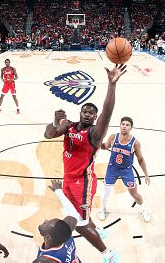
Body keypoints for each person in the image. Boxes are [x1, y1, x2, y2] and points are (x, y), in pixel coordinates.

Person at [44, 64, 127, 263]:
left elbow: (107, 114)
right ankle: (97, 228)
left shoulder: (94, 134)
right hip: (69, 178)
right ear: (80, 112)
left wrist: (111, 85)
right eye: (85, 110)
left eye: (92, 112)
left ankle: (108, 254)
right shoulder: (69, 125)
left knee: (79, 223)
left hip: (83, 182)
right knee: (78, 214)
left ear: (95, 117)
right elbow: (48, 134)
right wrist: (55, 122)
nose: (88, 113)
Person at [98, 116, 151, 223]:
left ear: (131, 128)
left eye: (127, 125)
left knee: (134, 193)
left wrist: (146, 174)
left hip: (126, 170)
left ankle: (144, 210)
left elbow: (140, 159)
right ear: (120, 125)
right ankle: (102, 209)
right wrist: (97, 143)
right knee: (105, 193)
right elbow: (105, 147)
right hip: (112, 168)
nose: (124, 126)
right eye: (122, 124)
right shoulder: (113, 137)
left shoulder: (135, 143)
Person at [34, 180, 81, 263]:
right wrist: (58, 191)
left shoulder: (44, 260)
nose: (45, 220)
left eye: (47, 224)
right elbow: (74, 214)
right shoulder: (64, 235)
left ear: (48, 237)